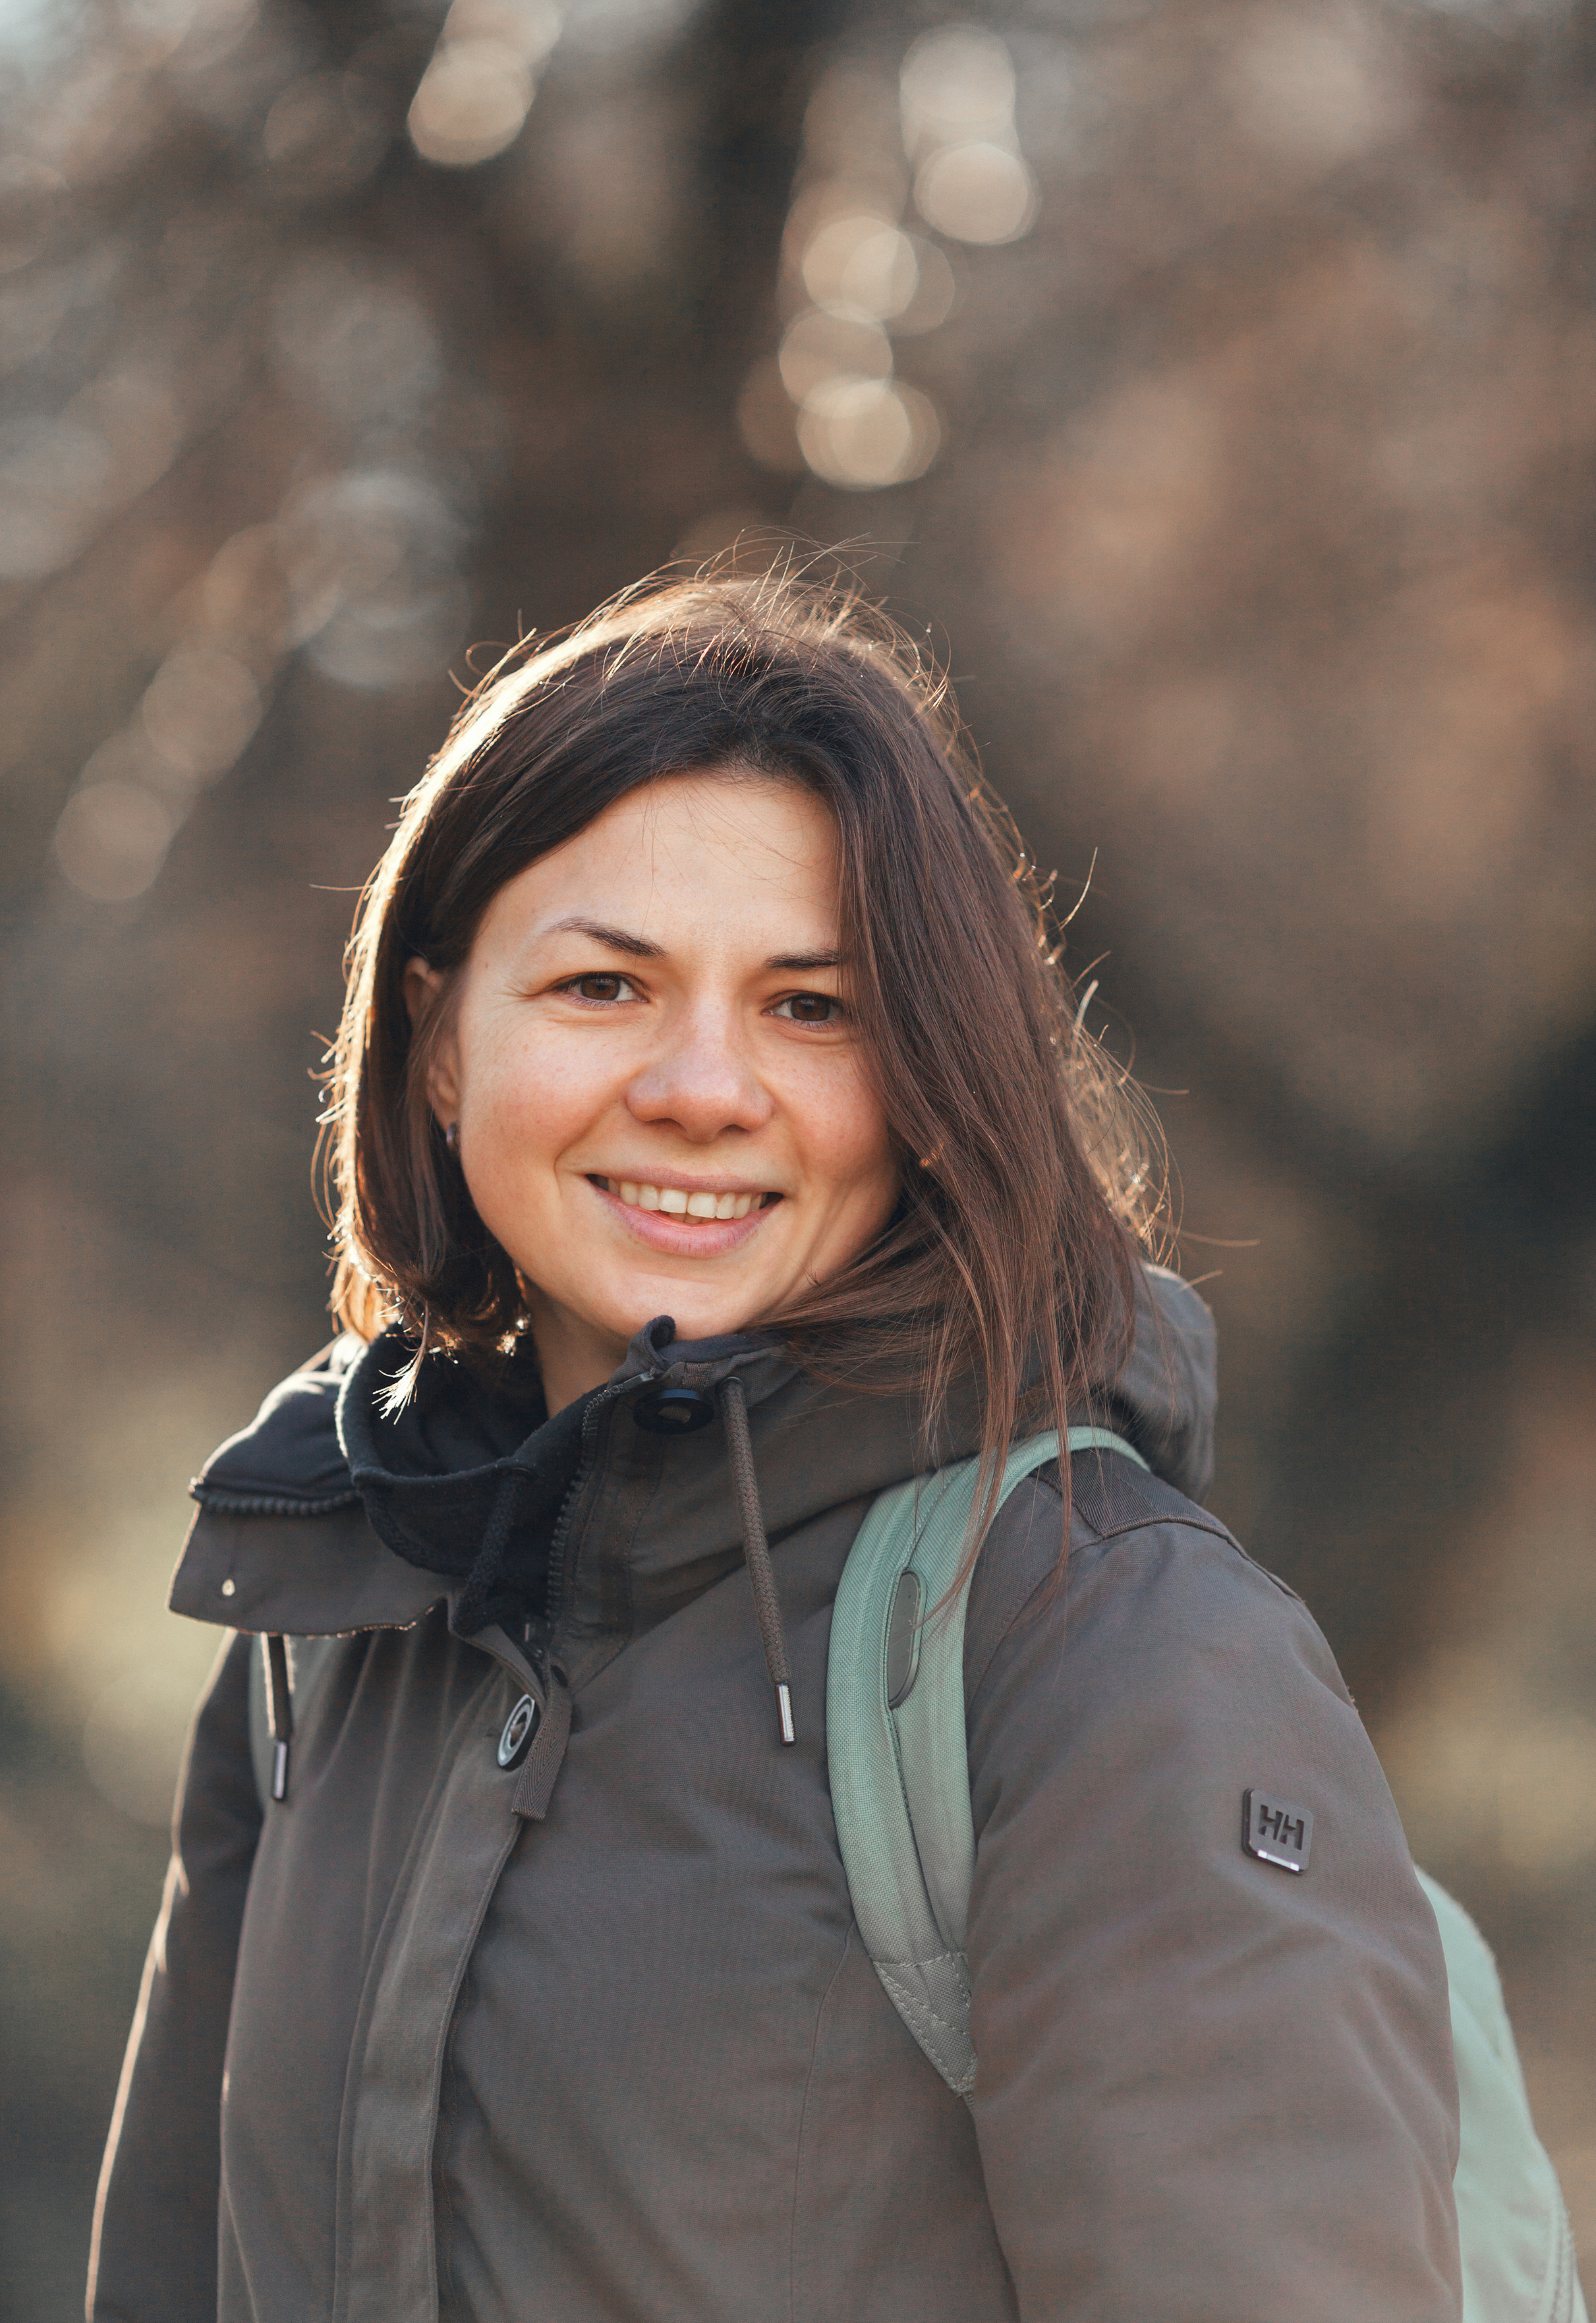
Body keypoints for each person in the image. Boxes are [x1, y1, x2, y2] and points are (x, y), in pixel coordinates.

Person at [88, 569, 1461, 2322]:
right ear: (438, 1043)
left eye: (812, 1008)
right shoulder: (335, 1616)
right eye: (603, 987)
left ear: (928, 1076)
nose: (704, 1087)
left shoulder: (1108, 1660)